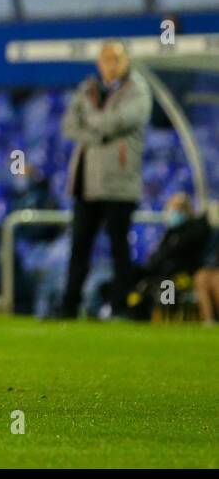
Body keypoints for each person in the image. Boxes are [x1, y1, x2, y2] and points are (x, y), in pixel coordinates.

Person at [58, 41, 151, 319]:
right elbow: (68, 126)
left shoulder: (138, 89)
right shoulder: (88, 87)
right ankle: (69, 305)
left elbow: (117, 122)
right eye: (105, 59)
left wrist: (91, 121)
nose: (110, 64)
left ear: (126, 61)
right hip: (86, 183)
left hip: (119, 185)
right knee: (79, 248)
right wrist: (98, 130)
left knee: (119, 248)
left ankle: (123, 305)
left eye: (115, 59)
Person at [125, 192, 212, 321]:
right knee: (135, 278)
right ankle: (132, 313)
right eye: (172, 207)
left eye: (178, 208)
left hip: (183, 274)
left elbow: (179, 254)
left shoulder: (193, 231)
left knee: (167, 284)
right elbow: (160, 256)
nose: (173, 212)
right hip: (162, 272)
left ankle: (167, 316)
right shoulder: (170, 233)